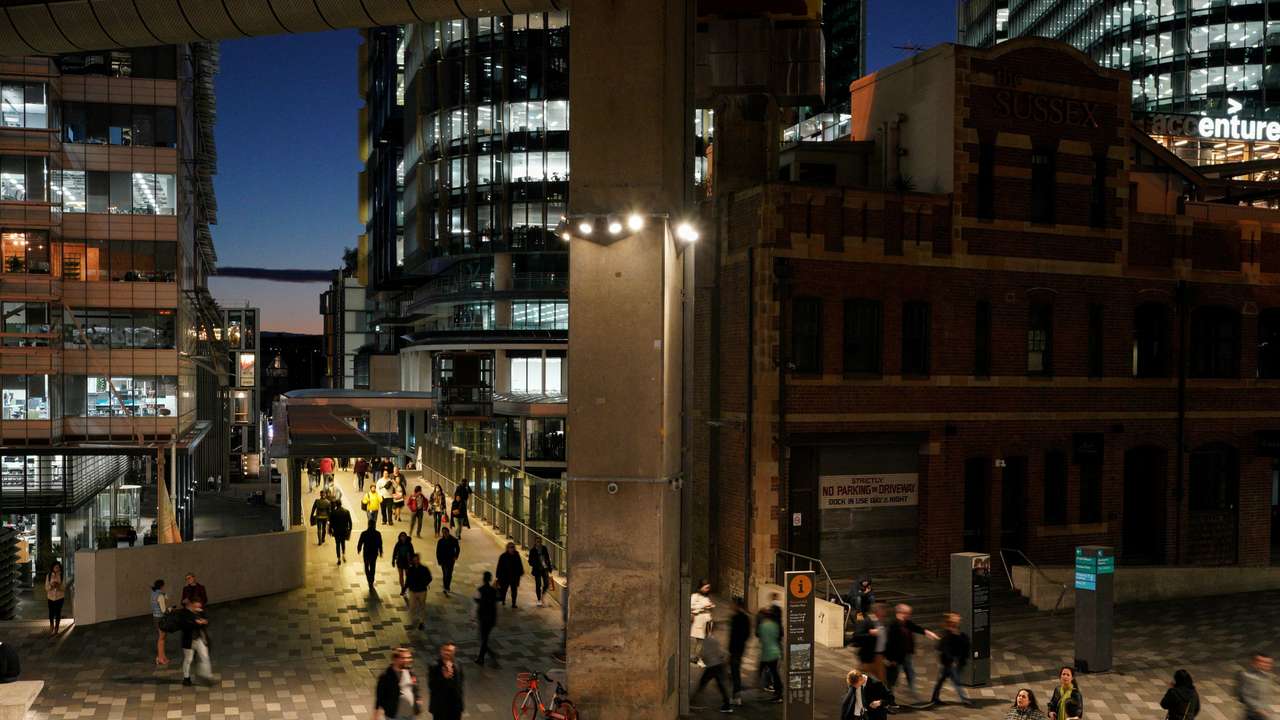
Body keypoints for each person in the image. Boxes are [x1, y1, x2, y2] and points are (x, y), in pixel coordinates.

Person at [885, 603, 939, 702]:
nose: (909, 615)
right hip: (896, 657)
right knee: (892, 679)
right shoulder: (893, 626)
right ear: (900, 613)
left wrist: (928, 633)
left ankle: (912, 694)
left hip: (906, 655)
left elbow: (916, 628)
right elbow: (889, 644)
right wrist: (891, 659)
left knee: (911, 674)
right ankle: (888, 700)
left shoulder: (907, 623)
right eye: (907, 613)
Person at [930, 612, 972, 705]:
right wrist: (951, 660)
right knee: (955, 680)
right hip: (949, 662)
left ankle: (934, 698)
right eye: (956, 618)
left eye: (958, 618)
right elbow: (944, 648)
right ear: (951, 621)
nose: (959, 619)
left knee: (942, 680)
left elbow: (963, 644)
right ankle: (964, 699)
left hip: (953, 661)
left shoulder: (957, 631)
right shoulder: (947, 633)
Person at [690, 632, 733, 713]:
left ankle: (693, 701)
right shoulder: (713, 639)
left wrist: (692, 658)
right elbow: (722, 652)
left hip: (712, 666)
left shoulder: (704, 643)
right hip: (719, 665)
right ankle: (727, 704)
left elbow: (701, 656)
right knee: (720, 685)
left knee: (703, 682)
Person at [373, 646, 420, 720]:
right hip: (395, 716)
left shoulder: (410, 672)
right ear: (395, 659)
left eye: (409, 657)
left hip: (411, 714)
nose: (407, 660)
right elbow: (380, 698)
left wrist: (418, 699)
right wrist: (375, 716)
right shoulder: (386, 676)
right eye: (404, 658)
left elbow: (415, 688)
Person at [427, 642, 465, 720]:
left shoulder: (458, 664)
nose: (447, 652)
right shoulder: (434, 666)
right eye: (445, 650)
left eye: (450, 651)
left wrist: (460, 705)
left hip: (455, 707)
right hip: (440, 707)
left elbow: (460, 684)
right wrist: (443, 677)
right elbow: (432, 686)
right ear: (441, 650)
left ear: (454, 652)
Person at [852, 603, 888, 682]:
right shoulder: (866, 621)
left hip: (879, 656)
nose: (885, 614)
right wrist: (870, 634)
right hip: (868, 655)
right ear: (877, 612)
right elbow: (856, 636)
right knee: (860, 675)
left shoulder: (882, 622)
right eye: (883, 612)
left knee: (882, 680)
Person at [179, 600, 211, 686]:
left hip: (199, 639)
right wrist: (197, 622)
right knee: (188, 659)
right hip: (188, 641)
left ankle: (206, 676)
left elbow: (206, 621)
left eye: (199, 606)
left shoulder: (199, 612)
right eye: (196, 606)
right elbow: (187, 625)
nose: (198, 607)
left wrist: (203, 620)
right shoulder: (184, 614)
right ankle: (186, 678)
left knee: (205, 656)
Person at [756, 605, 783, 703]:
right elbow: (779, 636)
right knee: (774, 673)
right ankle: (777, 691)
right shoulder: (775, 625)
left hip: (766, 653)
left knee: (765, 671)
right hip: (774, 652)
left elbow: (758, 634)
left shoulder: (763, 625)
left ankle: (776, 691)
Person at [1237, 653, 1276, 720]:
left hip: (1263, 714)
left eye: (1269, 663)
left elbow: (1264, 696)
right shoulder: (1247, 676)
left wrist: (1267, 709)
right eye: (1264, 662)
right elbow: (1245, 696)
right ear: (1255, 663)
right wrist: (1258, 709)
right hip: (1252, 715)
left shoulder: (1268, 677)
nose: (1267, 665)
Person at [473, 571, 499, 667]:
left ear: (483, 579)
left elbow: (475, 601)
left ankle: (490, 656)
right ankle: (481, 658)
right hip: (491, 618)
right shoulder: (493, 590)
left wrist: (473, 618)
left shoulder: (480, 590)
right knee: (484, 639)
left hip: (483, 618)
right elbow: (498, 599)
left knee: (483, 639)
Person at [728, 597, 750, 706]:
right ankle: (736, 695)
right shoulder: (746, 618)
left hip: (735, 650)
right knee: (735, 672)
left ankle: (736, 697)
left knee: (735, 673)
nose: (731, 606)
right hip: (740, 648)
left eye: (733, 604)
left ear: (737, 605)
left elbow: (732, 637)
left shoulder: (736, 617)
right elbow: (747, 634)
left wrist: (730, 650)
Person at [404, 554, 433, 631]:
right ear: (413, 560)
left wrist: (424, 583)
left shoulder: (424, 569)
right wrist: (404, 589)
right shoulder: (410, 569)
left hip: (422, 591)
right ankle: (415, 620)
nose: (416, 561)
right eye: (414, 559)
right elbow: (408, 580)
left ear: (419, 559)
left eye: (417, 559)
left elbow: (429, 578)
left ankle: (421, 622)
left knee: (422, 606)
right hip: (413, 591)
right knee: (412, 606)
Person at [691, 579, 715, 663]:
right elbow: (692, 608)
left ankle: (698, 656)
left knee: (704, 641)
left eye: (708, 588)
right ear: (701, 588)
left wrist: (710, 607)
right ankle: (696, 657)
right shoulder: (694, 596)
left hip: (706, 623)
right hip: (699, 622)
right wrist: (704, 607)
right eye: (706, 588)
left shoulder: (706, 597)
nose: (708, 590)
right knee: (699, 641)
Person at [496, 542, 525, 608]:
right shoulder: (503, 556)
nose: (512, 549)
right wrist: (498, 576)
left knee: (514, 591)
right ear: (507, 548)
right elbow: (499, 566)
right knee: (504, 590)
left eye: (513, 547)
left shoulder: (516, 555)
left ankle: (513, 603)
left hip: (514, 577)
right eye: (511, 547)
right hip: (505, 577)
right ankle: (503, 600)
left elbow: (519, 564)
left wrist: (521, 572)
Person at [357, 520, 384, 589]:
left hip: (366, 552)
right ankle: (371, 580)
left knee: (366, 567)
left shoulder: (364, 533)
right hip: (374, 553)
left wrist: (359, 549)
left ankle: (369, 578)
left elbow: (360, 542)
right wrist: (380, 551)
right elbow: (380, 544)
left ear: (368, 525)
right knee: (372, 567)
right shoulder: (378, 533)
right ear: (374, 525)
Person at [528, 537, 553, 607]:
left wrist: (550, 567)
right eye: (537, 542)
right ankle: (539, 599)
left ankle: (543, 595)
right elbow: (530, 561)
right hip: (537, 570)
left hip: (545, 569)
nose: (538, 543)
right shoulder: (532, 550)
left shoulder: (544, 548)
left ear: (541, 542)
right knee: (538, 585)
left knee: (546, 584)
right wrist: (535, 564)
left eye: (539, 542)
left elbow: (548, 558)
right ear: (535, 542)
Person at [151, 579, 171, 665]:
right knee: (161, 638)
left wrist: (165, 596)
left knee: (162, 638)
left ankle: (163, 657)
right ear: (162, 586)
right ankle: (160, 658)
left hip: (155, 617)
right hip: (161, 619)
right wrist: (171, 609)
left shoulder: (153, 594)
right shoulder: (160, 596)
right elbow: (164, 610)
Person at [436, 526, 460, 596]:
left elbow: (457, 548)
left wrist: (456, 556)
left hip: (450, 560)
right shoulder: (440, 541)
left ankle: (447, 586)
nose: (444, 534)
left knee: (449, 574)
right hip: (443, 560)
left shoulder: (453, 540)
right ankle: (445, 586)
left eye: (445, 532)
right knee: (444, 574)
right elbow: (438, 551)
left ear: (448, 532)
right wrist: (439, 560)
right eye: (443, 533)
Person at [44, 562, 65, 635]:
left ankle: (57, 627)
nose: (57, 568)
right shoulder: (49, 575)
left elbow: (64, 588)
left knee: (58, 613)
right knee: (51, 613)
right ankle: (51, 625)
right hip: (51, 598)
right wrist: (51, 586)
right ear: (52, 568)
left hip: (60, 597)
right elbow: (46, 588)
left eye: (58, 567)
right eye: (55, 567)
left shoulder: (62, 575)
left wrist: (58, 586)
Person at [329, 498, 353, 564]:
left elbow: (331, 523)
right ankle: (343, 554)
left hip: (336, 531)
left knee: (337, 544)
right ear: (341, 504)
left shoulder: (333, 512)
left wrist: (330, 530)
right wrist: (349, 529)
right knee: (343, 543)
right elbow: (350, 522)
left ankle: (338, 558)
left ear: (336, 504)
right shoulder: (346, 511)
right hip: (344, 530)